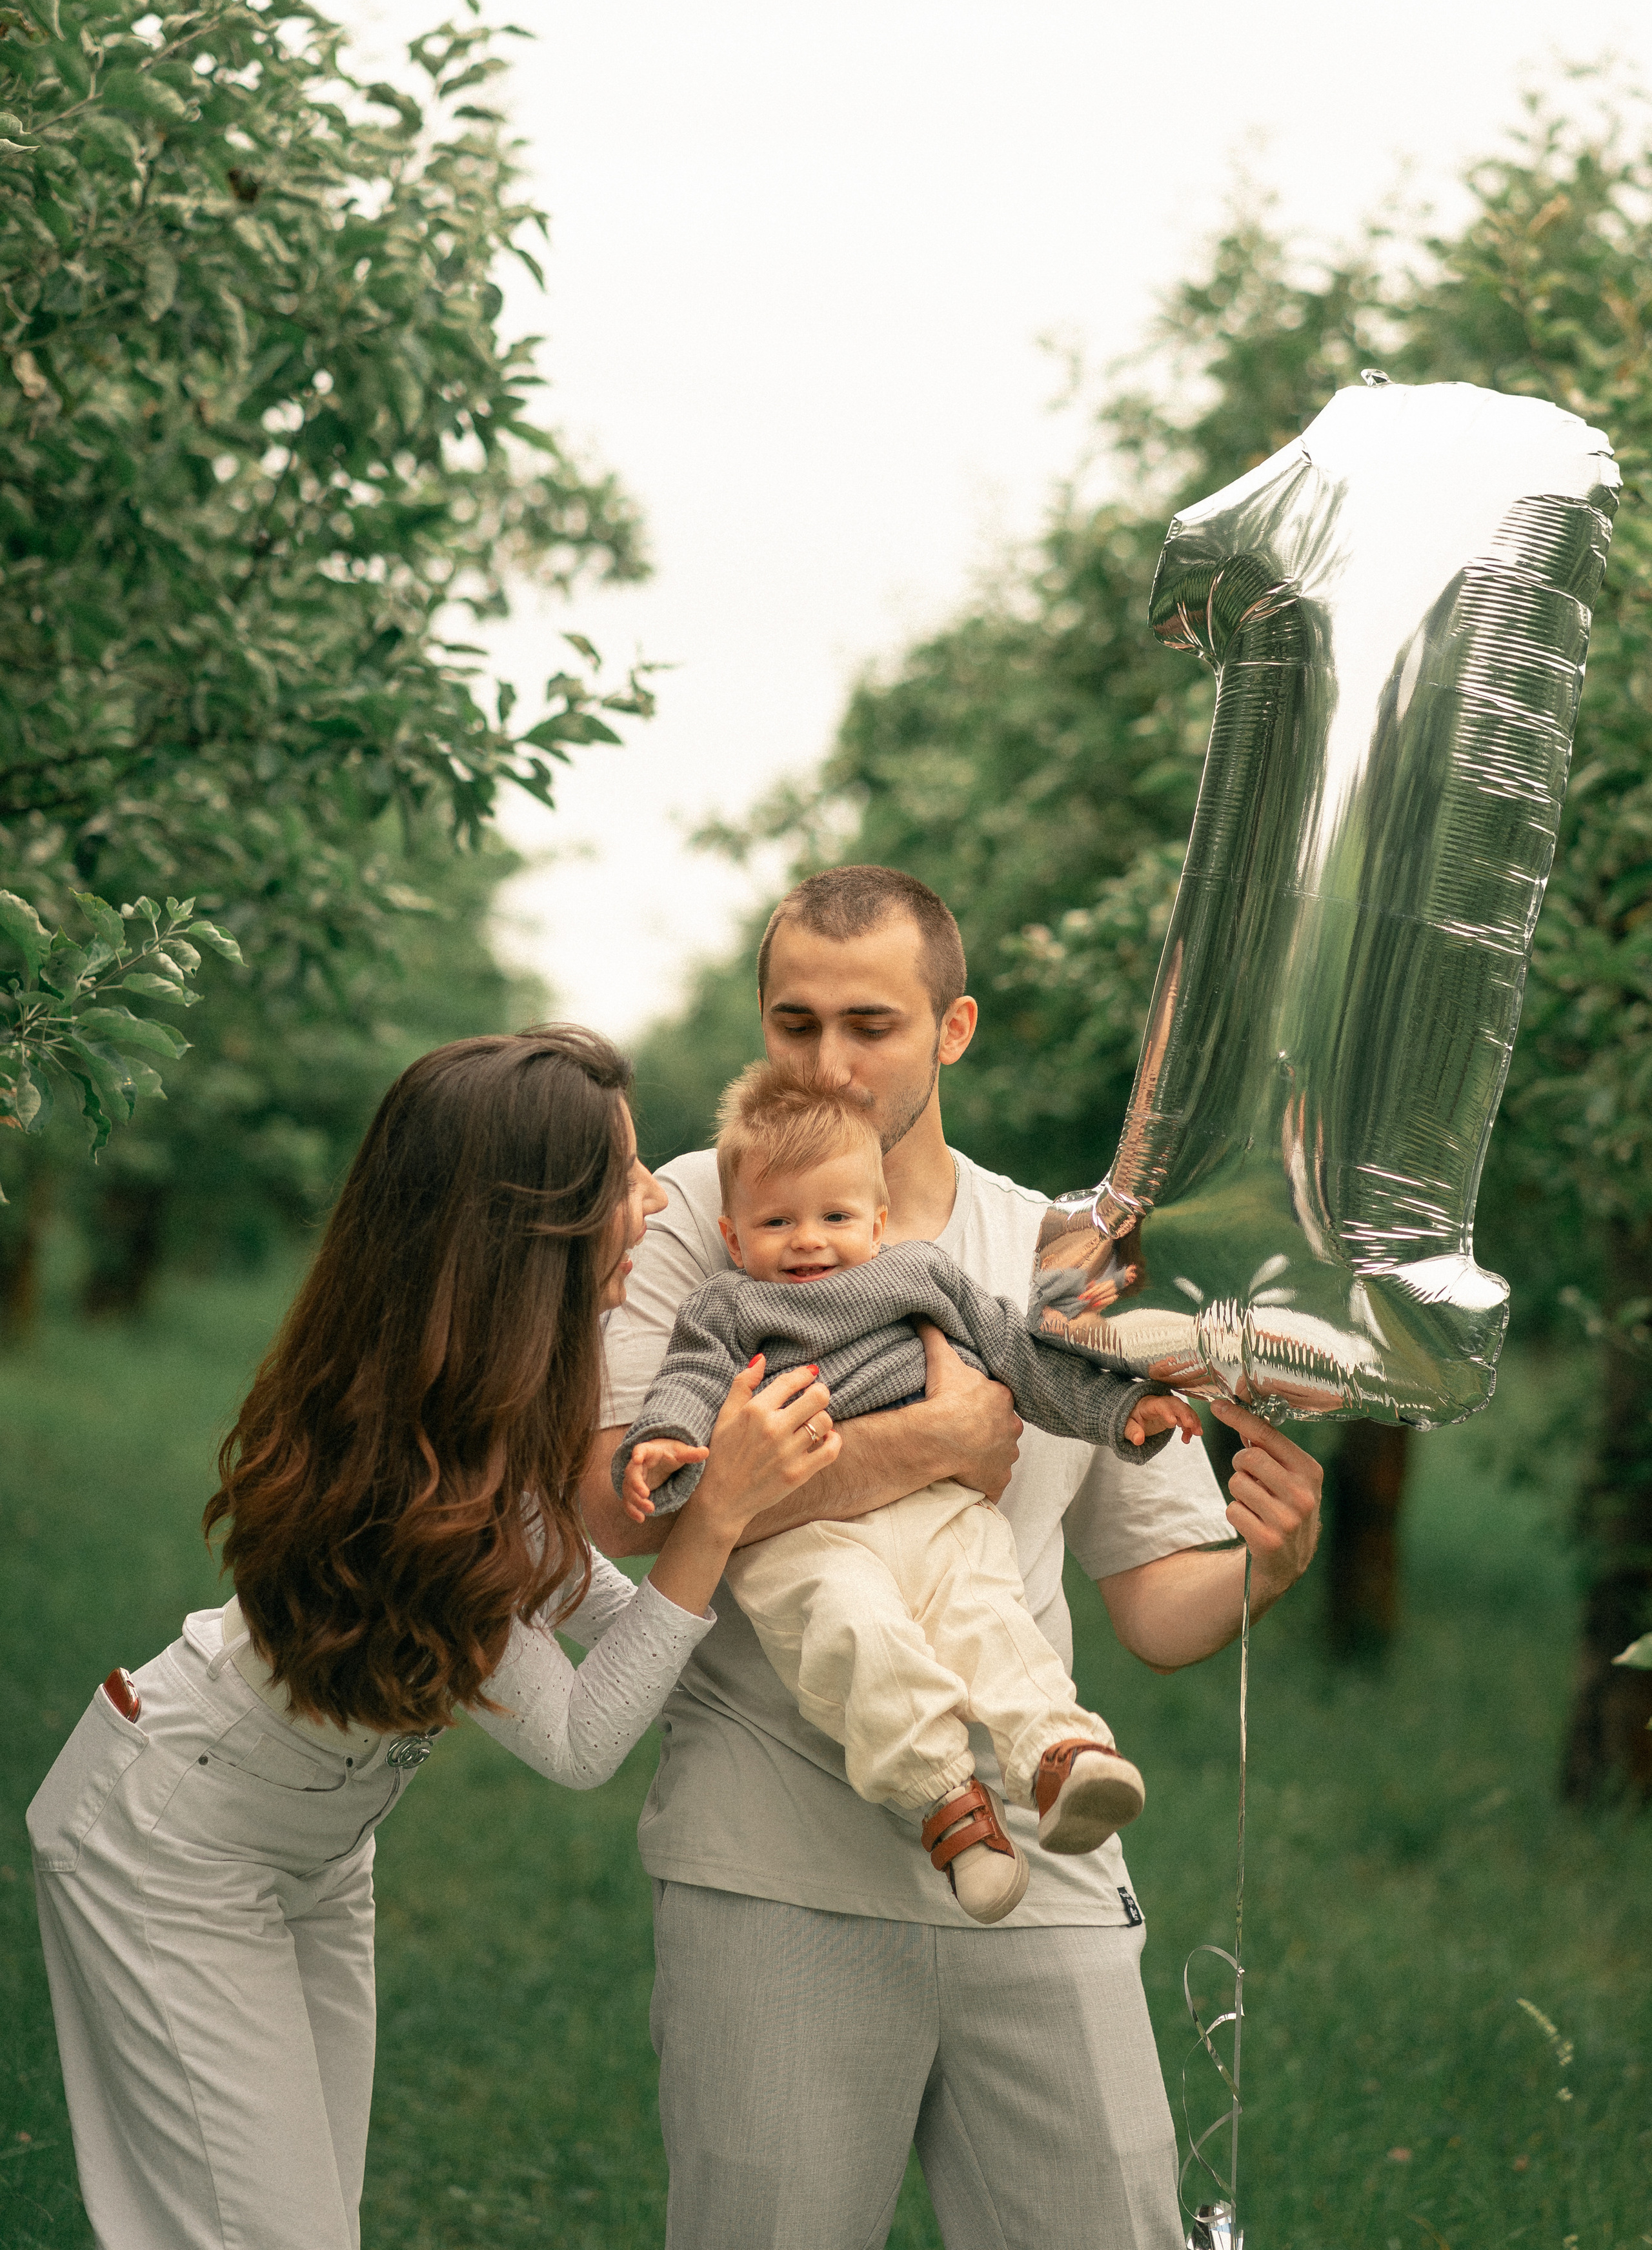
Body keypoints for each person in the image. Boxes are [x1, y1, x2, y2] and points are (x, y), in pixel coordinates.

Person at [583, 867, 1324, 2250]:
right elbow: (623, 1507)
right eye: (793, 1023)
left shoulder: (1051, 1250)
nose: (830, 1063)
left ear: (953, 1028)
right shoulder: (701, 1210)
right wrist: (933, 1443)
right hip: (772, 1869)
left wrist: (1262, 1571)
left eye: (871, 1024)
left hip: (1044, 1855)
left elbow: (1154, 1604)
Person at [26, 1025, 841, 2250]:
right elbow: (576, 1739)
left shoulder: (480, 1407)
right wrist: (714, 1516)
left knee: (305, 2225)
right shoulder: (401, 1474)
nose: (657, 1197)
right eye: (623, 1178)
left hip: (313, 1846)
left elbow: (616, 1627)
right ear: (537, 1226)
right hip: (176, 1841)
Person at [615, 1060, 1207, 1923]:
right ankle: (951, 1807)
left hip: (935, 1509)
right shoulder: (727, 1308)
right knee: (856, 1634)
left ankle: (1060, 1750)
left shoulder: (920, 1277)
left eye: (836, 1216)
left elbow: (1023, 1358)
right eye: (777, 1221)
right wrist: (661, 1443)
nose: (809, 1240)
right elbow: (690, 1384)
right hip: (799, 1537)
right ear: (734, 1237)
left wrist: (1122, 1409)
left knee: (982, 1610)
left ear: (879, 1222)